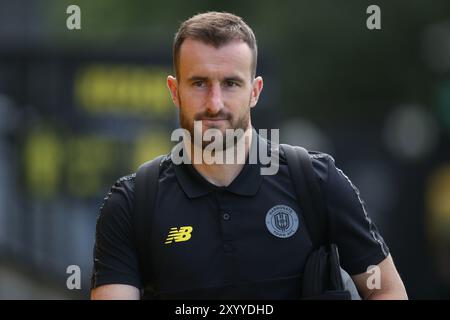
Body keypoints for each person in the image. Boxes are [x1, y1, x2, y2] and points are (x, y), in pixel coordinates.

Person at [90, 11, 407, 300]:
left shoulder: (315, 181)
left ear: (254, 91)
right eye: (199, 83)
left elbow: (387, 291)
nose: (214, 103)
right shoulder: (133, 203)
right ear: (175, 91)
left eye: (230, 84)